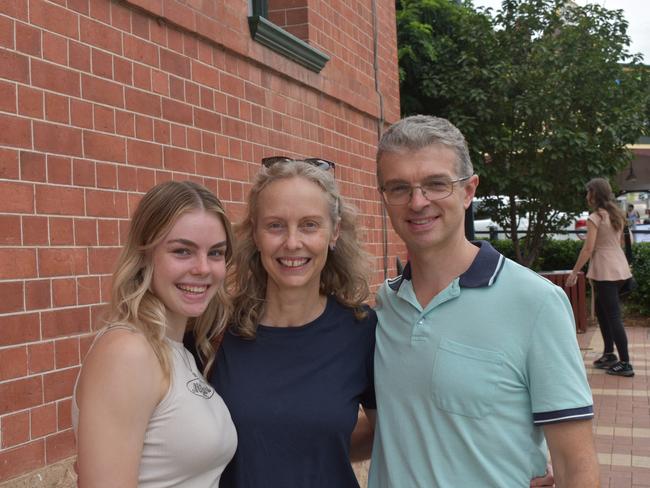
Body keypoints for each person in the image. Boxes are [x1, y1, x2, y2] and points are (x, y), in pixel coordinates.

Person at [369, 115, 600, 487]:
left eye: (436, 184)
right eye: (399, 188)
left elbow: (576, 467)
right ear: (384, 197)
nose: (417, 201)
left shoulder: (536, 302)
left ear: (469, 190)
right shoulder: (386, 305)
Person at [209, 158, 377, 487]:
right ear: (255, 233)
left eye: (310, 225)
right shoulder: (217, 329)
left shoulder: (363, 330)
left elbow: (389, 434)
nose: (292, 242)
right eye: (275, 225)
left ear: (335, 231)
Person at [73, 181, 237, 487]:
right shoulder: (128, 352)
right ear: (145, 254)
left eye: (216, 253)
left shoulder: (178, 350)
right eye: (182, 251)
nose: (203, 268)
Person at [567, 178, 634, 377]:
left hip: (604, 270)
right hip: (620, 268)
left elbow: (589, 248)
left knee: (612, 316)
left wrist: (574, 272)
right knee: (604, 313)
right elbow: (618, 242)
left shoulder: (595, 218)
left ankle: (625, 363)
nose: (586, 196)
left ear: (594, 194)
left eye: (588, 192)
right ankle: (608, 354)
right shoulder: (616, 215)